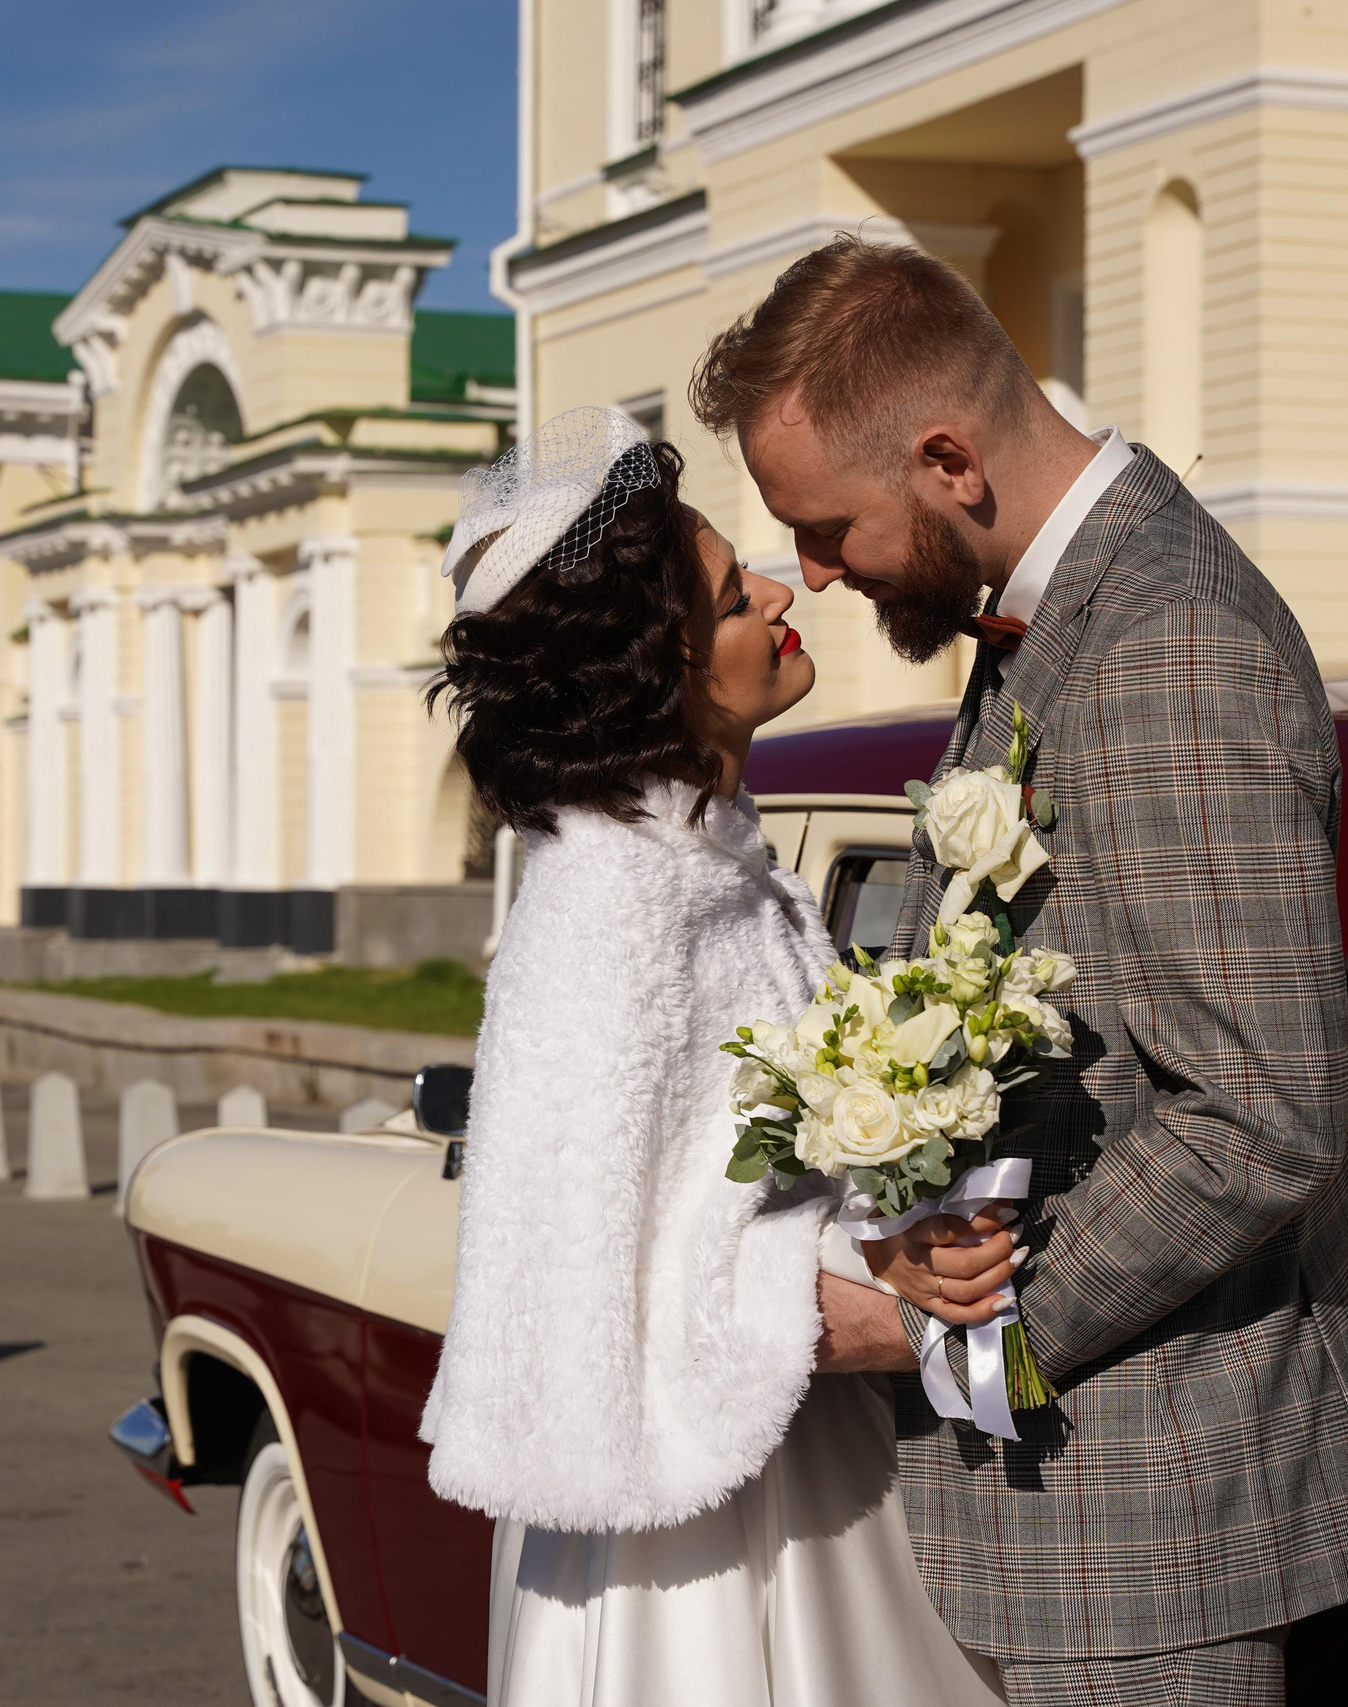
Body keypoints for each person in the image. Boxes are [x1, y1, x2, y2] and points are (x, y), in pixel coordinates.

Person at [689, 236, 1348, 1706]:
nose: (816, 574)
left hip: (1164, 1517)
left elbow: (1262, 1111)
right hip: (1108, 1504)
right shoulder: (1058, 609)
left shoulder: (1165, 643)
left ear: (948, 459)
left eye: (832, 527)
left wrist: (941, 1326)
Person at [420, 405, 1002, 1706]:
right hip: (687, 1531)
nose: (789, 591)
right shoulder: (606, 908)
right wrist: (882, 1284)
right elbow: (583, 1285)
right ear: (663, 669)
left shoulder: (722, 864)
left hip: (805, 1458)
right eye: (742, 596)